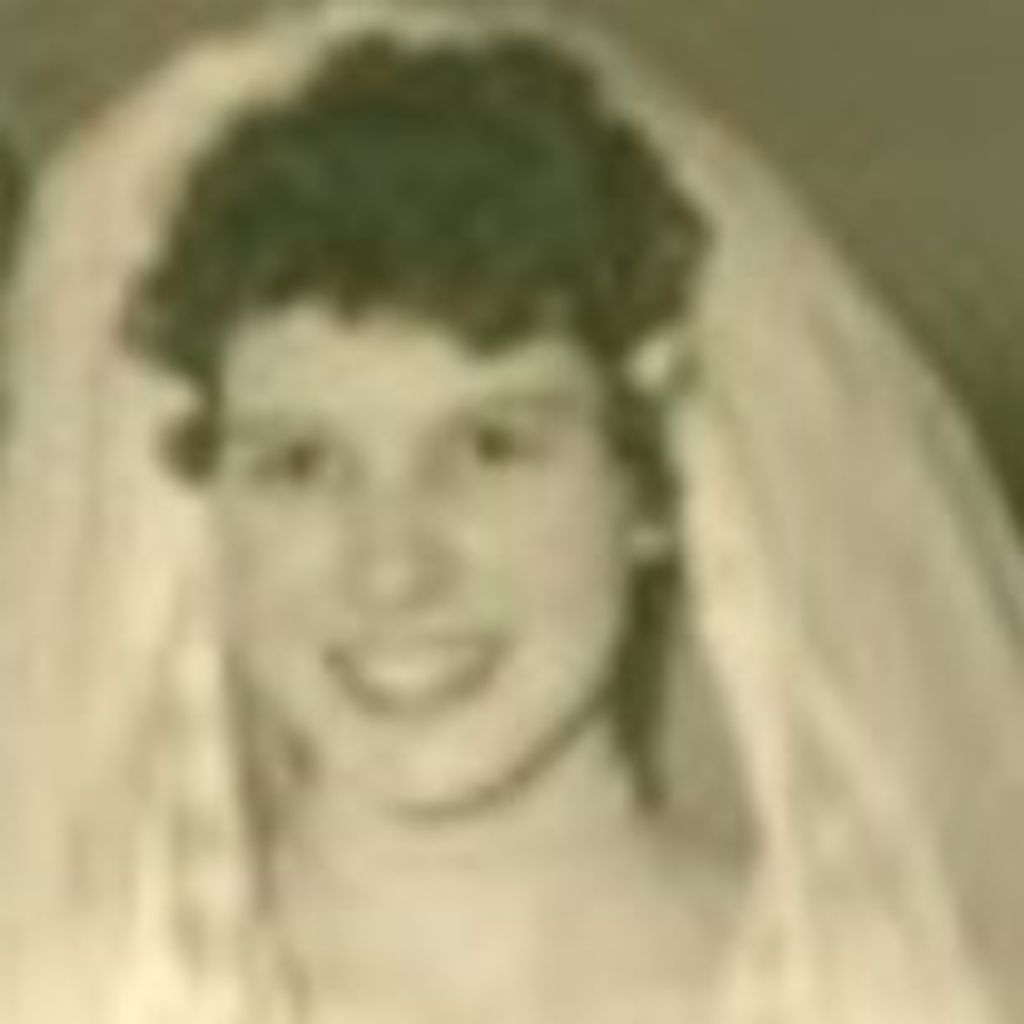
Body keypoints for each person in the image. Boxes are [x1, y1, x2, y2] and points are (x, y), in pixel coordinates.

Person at [0, 3, 1021, 1022]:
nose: (392, 566)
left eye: (491, 447)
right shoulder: (79, 998)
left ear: (651, 481)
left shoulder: (890, 996)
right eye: (300, 465)